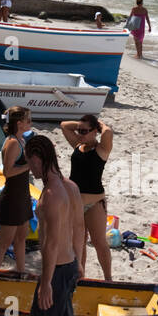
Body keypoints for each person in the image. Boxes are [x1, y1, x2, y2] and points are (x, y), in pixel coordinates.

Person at [25, 135, 83, 316]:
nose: (29, 169)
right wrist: (80, 262)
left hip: (56, 271)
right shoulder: (70, 187)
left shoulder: (50, 195)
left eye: (29, 162)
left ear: (38, 157)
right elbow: (79, 228)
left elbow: (50, 243)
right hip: (69, 264)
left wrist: (46, 282)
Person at [60, 113, 114, 281]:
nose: (80, 134)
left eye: (84, 131)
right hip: (74, 204)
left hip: (95, 203)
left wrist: (100, 124)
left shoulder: (101, 149)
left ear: (95, 131)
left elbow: (108, 132)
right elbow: (64, 124)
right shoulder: (77, 145)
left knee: (100, 243)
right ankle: (80, 277)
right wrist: (81, 126)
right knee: (79, 244)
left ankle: (108, 279)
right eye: (80, 131)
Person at [0, 107, 33, 273]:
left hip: (22, 196)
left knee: (22, 237)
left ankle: (21, 270)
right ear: (19, 123)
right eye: (28, 120)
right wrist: (29, 165)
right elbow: (7, 172)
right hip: (12, 198)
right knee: (4, 242)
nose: (31, 122)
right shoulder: (13, 143)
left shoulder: (20, 140)